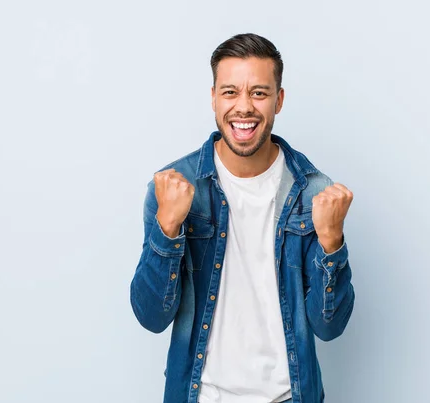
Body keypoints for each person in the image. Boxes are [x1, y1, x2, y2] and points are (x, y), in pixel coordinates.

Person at [130, 33, 355, 403]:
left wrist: (332, 243)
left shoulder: (315, 192)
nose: (244, 107)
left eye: (260, 93)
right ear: (214, 98)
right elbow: (151, 317)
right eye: (231, 92)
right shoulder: (173, 187)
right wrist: (168, 228)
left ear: (279, 100)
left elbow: (329, 327)